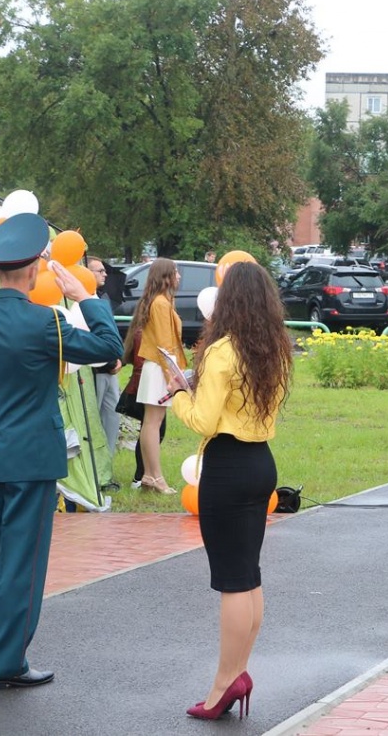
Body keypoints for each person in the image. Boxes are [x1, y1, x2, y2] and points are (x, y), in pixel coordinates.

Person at [0, 213, 122, 690]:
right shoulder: (46, 323)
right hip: (31, 459)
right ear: (32, 271)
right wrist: (86, 297)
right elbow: (109, 348)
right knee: (21, 562)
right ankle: (4, 663)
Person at [166, 257, 291, 720]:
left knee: (233, 580)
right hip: (261, 464)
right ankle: (236, 672)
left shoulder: (223, 351)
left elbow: (203, 420)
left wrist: (179, 394)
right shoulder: (272, 348)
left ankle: (225, 681)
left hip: (229, 466)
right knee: (248, 576)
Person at [123, 258, 186, 494]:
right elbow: (164, 343)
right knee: (152, 423)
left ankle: (150, 475)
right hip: (160, 367)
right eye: (175, 272)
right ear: (166, 276)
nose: (179, 276)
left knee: (152, 423)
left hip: (160, 367)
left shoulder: (162, 300)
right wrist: (172, 376)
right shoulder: (160, 303)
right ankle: (155, 476)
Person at [87, 257, 123, 481]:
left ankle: (106, 467)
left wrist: (118, 358)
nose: (105, 274)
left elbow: (111, 332)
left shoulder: (103, 298)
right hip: (95, 370)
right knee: (93, 418)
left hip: (111, 367)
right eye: (99, 271)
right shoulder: (82, 301)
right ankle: (93, 469)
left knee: (112, 416)